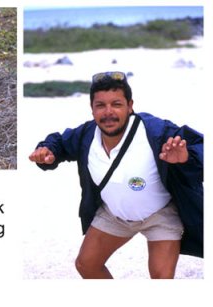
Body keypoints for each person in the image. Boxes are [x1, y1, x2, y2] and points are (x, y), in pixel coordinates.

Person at [29, 71, 203, 279]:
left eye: (116, 104)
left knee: (161, 279)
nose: (108, 112)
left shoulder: (154, 131)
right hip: (115, 214)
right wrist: (47, 151)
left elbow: (199, 145)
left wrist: (185, 158)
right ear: (92, 109)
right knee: (86, 265)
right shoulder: (87, 134)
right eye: (100, 105)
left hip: (161, 214)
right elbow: (59, 143)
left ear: (130, 106)